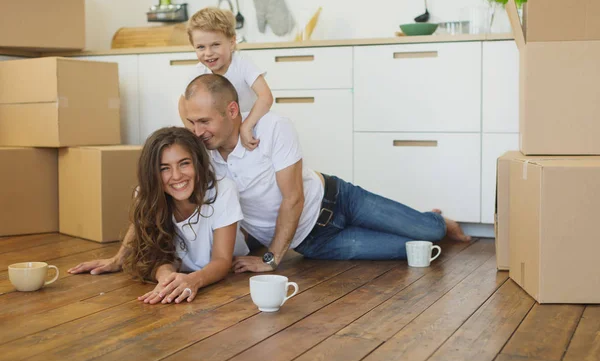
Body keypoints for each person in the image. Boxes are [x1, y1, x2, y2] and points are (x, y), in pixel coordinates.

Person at [181, 74, 471, 273]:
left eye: (204, 121)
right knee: (417, 248)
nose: (197, 132)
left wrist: (271, 258)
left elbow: (294, 198)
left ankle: (437, 220)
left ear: (232, 111)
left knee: (431, 231)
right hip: (315, 241)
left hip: (340, 199)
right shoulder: (201, 155)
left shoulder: (272, 128)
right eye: (192, 122)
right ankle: (419, 225)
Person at [68, 127, 249, 304]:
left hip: (227, 274)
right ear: (153, 173)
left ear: (198, 162)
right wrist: (166, 277)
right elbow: (155, 254)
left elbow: (222, 260)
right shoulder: (148, 196)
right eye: (164, 168)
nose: (176, 176)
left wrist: (193, 281)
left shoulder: (223, 190)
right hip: (182, 272)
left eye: (184, 163)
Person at [178, 7, 274, 151]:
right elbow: (182, 104)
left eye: (215, 45)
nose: (208, 53)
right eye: (200, 47)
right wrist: (195, 133)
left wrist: (246, 126)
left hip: (250, 128)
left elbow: (265, 96)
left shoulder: (242, 64)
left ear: (232, 42)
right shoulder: (198, 72)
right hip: (219, 136)